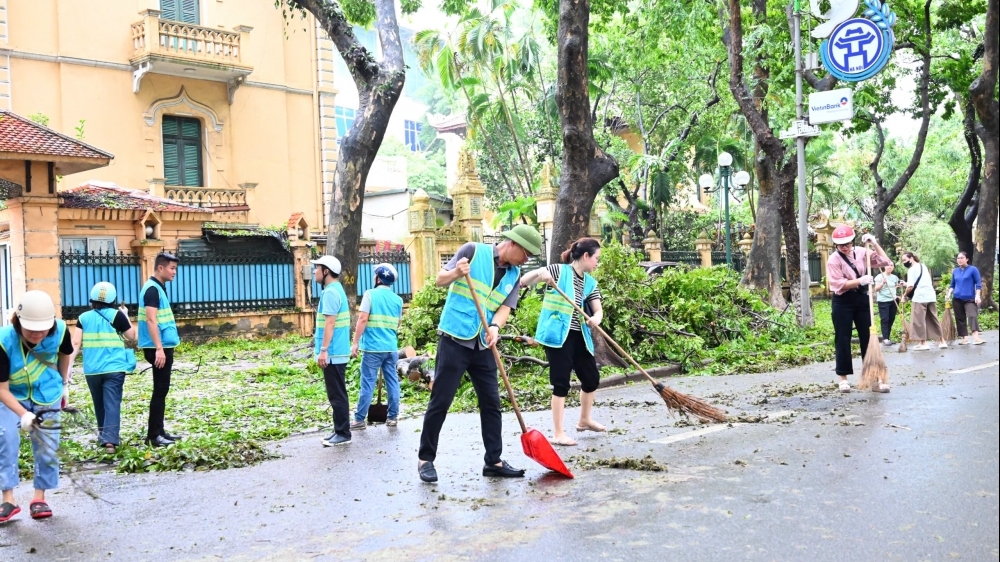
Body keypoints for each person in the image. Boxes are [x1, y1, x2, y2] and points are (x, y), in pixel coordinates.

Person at [416, 224, 542, 484]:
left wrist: (495, 327)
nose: (526, 260)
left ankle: (493, 461)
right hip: (455, 338)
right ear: (513, 243)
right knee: (441, 399)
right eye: (526, 253)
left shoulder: (514, 274)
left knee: (492, 402)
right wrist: (457, 273)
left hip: (484, 344)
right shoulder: (473, 251)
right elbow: (440, 279)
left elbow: (506, 307)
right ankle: (425, 459)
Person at [520, 237, 605, 446]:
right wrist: (540, 273)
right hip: (557, 335)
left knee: (591, 378)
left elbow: (598, 309)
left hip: (579, 335)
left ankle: (584, 419)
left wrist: (595, 318)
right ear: (586, 256)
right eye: (596, 258)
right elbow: (524, 280)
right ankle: (558, 433)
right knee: (561, 381)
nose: (597, 263)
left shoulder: (589, 282)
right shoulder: (559, 271)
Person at [0, 291, 74, 523]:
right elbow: (1, 389)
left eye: (43, 328)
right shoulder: (3, 341)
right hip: (12, 395)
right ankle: (8, 499)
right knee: (6, 436)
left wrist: (63, 384)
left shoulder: (60, 330)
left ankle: (39, 497)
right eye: (31, 328)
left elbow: (65, 354)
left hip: (47, 392)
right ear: (18, 322)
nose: (38, 333)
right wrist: (24, 415)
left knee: (48, 444)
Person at [71, 282, 137, 455]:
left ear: (92, 299)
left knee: (99, 403)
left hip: (92, 369)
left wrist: (69, 366)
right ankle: (110, 441)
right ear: (113, 299)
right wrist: (126, 315)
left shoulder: (83, 317)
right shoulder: (117, 315)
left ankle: (104, 436)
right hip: (114, 368)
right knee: (112, 403)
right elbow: (132, 336)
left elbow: (76, 343)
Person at [825, 225, 892, 393]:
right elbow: (838, 284)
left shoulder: (862, 252)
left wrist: (874, 243)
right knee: (843, 337)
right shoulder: (833, 259)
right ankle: (843, 378)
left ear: (853, 241)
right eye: (841, 245)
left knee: (869, 337)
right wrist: (860, 280)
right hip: (842, 300)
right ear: (836, 245)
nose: (845, 247)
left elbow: (885, 262)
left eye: (847, 243)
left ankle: (875, 378)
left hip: (862, 299)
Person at [350, 263, 404, 429]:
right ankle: (393, 417)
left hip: (373, 349)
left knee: (367, 383)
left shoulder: (370, 295)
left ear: (378, 278)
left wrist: (355, 342)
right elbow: (398, 323)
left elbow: (363, 319)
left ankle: (359, 420)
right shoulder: (398, 300)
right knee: (393, 382)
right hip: (391, 348)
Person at [138, 252, 181, 447]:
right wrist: (159, 349)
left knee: (162, 390)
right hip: (157, 347)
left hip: (162, 346)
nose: (174, 272)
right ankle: (154, 435)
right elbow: (151, 319)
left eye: (175, 268)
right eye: (172, 268)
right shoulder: (152, 290)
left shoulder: (158, 288)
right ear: (160, 268)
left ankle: (160, 431)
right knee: (160, 390)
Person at [312, 255, 352, 447]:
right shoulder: (336, 289)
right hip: (336, 351)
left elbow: (330, 323)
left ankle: (343, 433)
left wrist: (324, 350)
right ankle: (339, 430)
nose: (314, 271)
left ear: (326, 271)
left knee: (337, 394)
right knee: (336, 393)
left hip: (333, 352)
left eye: (317, 268)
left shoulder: (330, 292)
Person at [900, 252, 947, 351]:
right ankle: (942, 341)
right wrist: (906, 284)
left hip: (920, 297)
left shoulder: (911, 270)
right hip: (930, 296)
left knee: (919, 321)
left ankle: (923, 343)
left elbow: (911, 286)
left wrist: (904, 296)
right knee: (933, 319)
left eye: (905, 260)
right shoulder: (923, 266)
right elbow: (920, 282)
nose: (904, 262)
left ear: (911, 258)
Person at [947, 251, 985, 346]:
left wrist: (977, 295)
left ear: (967, 259)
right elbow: (952, 285)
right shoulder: (955, 271)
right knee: (960, 318)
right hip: (957, 298)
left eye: (962, 258)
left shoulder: (973, 269)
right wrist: (948, 294)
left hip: (970, 298)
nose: (959, 260)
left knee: (972, 315)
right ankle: (965, 338)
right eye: (958, 258)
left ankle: (976, 337)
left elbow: (978, 284)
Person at [873, 263, 900, 346]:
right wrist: (882, 283)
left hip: (893, 300)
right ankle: (885, 339)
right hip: (883, 301)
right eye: (888, 265)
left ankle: (887, 338)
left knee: (891, 319)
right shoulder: (879, 276)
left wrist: (899, 287)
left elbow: (894, 287)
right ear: (884, 266)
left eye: (892, 265)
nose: (890, 267)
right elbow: (876, 289)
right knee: (885, 319)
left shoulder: (895, 277)